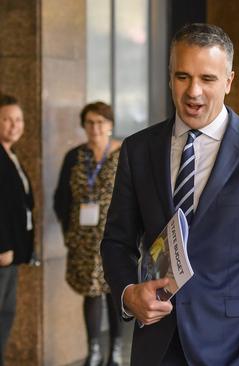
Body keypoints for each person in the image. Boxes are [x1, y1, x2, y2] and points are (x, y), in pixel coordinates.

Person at [100, 23, 239, 366]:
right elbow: (116, 241)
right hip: (156, 344)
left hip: (238, 347)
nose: (193, 91)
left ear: (228, 81)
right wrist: (127, 294)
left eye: (207, 79)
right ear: (170, 77)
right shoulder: (138, 149)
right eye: (182, 77)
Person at [54, 102, 124, 366]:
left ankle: (115, 349)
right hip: (83, 240)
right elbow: (62, 197)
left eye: (101, 122)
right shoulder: (75, 156)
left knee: (116, 293)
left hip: (117, 238)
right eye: (90, 123)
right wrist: (68, 232)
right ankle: (94, 349)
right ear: (83, 126)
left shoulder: (125, 152)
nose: (95, 128)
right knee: (91, 293)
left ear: (110, 125)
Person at [0, 94, 34, 366]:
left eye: (18, 119)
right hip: (3, 253)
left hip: (13, 252)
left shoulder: (10, 154)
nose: (14, 125)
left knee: (6, 312)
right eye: (7, 119)